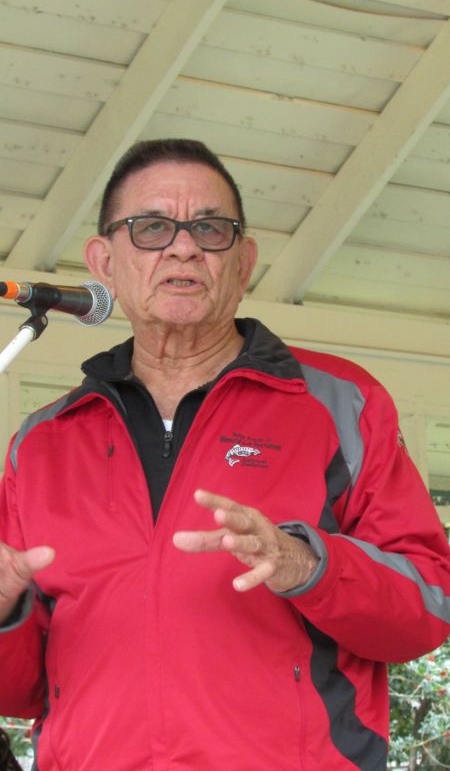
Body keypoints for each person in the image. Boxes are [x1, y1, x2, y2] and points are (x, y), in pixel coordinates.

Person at [0, 138, 448, 771]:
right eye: (152, 227)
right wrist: (5, 614)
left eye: (210, 229)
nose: (184, 248)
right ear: (104, 261)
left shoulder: (341, 403)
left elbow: (428, 609)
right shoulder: (42, 441)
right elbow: (20, 692)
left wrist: (308, 565)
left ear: (244, 262)